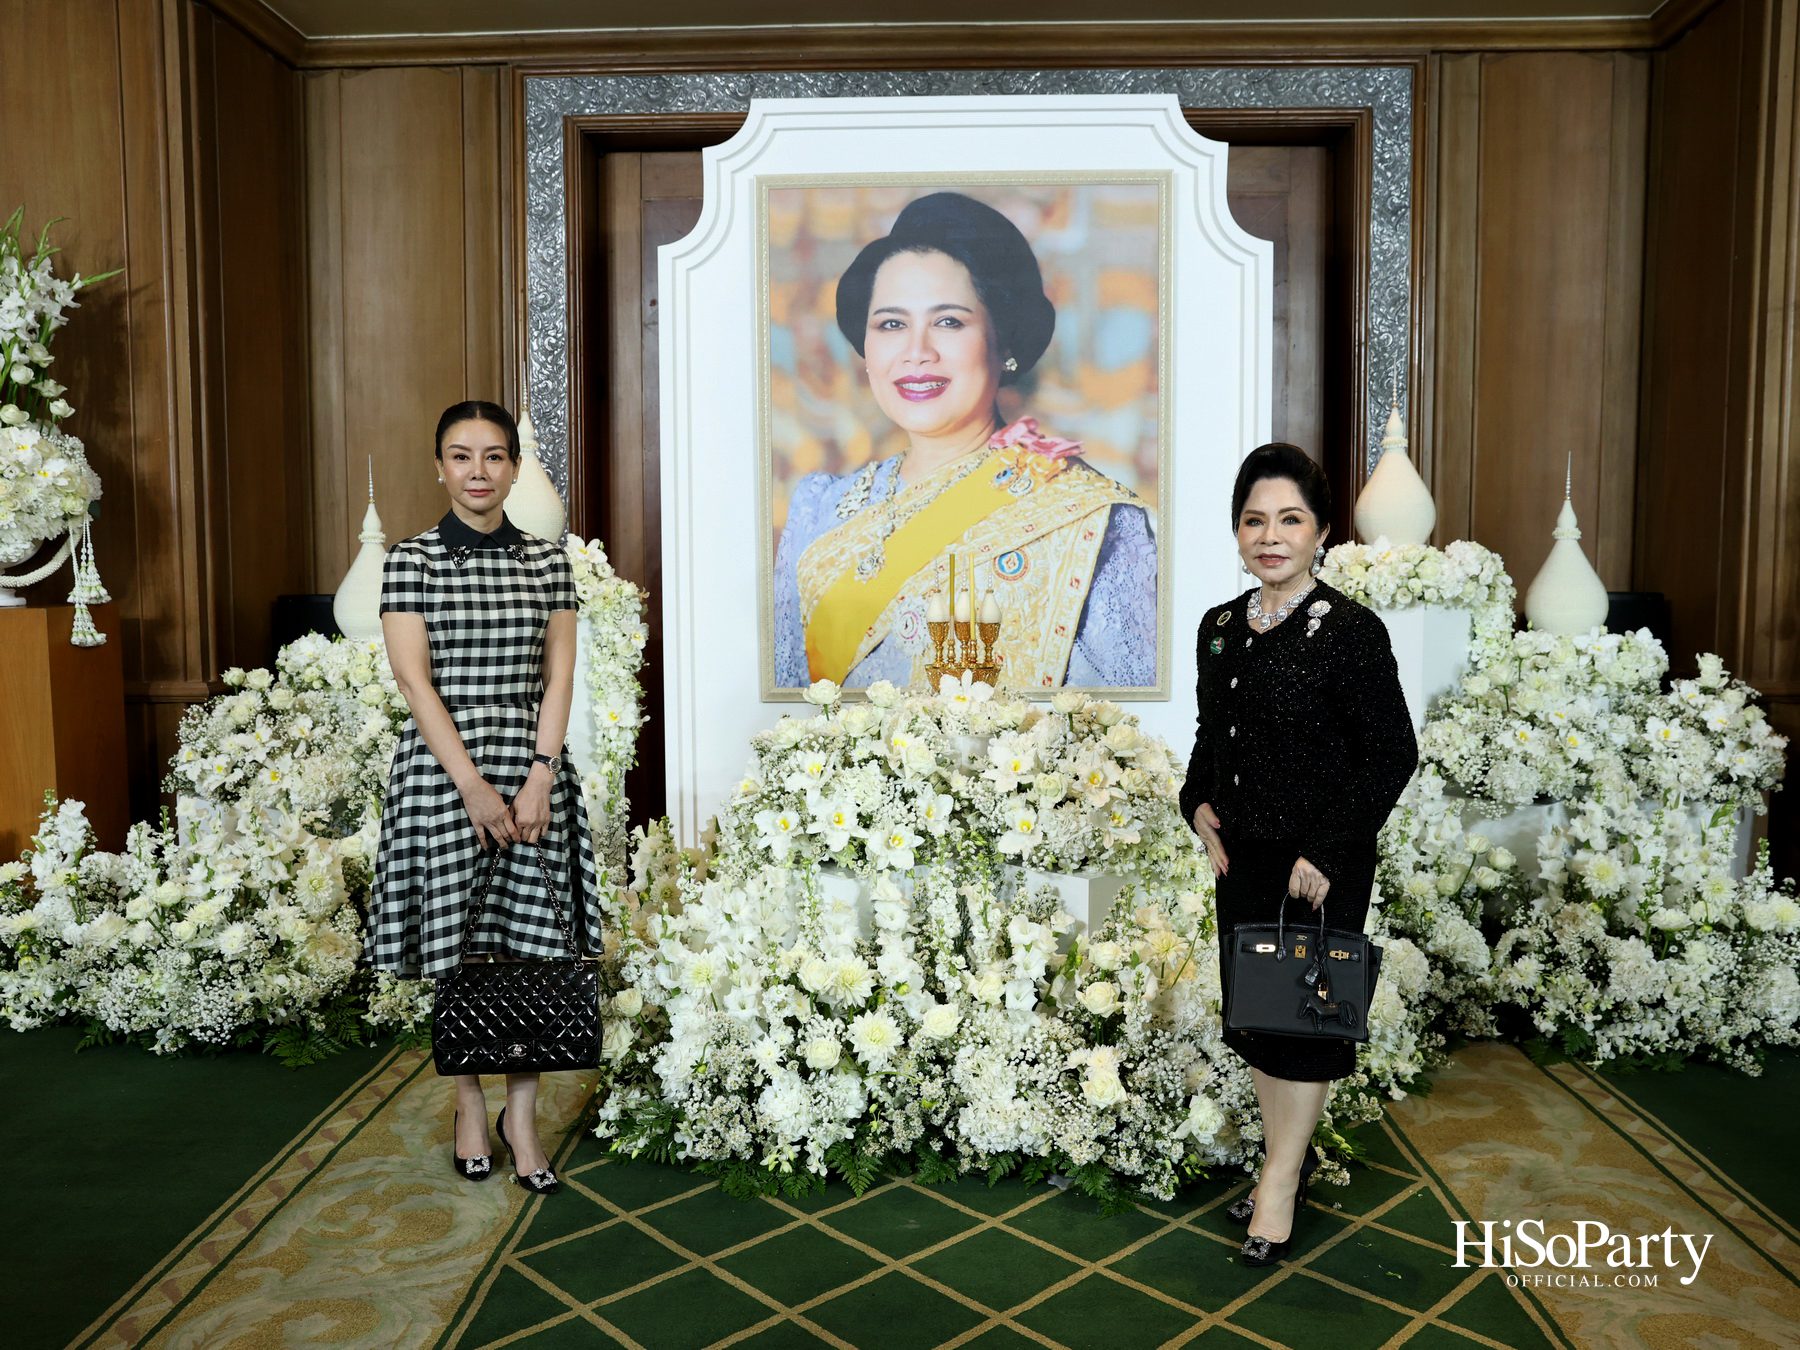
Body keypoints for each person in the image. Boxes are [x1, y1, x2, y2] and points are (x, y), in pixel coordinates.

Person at [1180, 443, 1417, 1265]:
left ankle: (1278, 1182)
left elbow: (1391, 754)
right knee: (1260, 1019)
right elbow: (1214, 737)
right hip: (1241, 859)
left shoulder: (1350, 632)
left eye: (1289, 520)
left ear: (1320, 532)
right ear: (1237, 530)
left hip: (1319, 867)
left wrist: (1325, 850)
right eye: (1254, 520)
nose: (1269, 536)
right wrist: (1196, 802)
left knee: (1305, 1025)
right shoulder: (1219, 628)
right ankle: (1288, 1158)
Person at [772, 191, 1158, 691]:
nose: (916, 352)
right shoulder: (817, 509)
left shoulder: (1092, 518)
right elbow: (781, 716)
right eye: (891, 323)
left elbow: (1133, 734)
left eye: (949, 322)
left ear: (1005, 342)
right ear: (865, 348)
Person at [367, 400, 601, 1195]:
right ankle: (470, 1104)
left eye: (494, 457)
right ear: (440, 467)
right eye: (461, 457)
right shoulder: (413, 560)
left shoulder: (547, 562)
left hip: (534, 767)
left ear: (513, 468)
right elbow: (413, 680)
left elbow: (559, 676)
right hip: (443, 773)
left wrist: (540, 773)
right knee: (459, 946)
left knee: (532, 945)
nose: (478, 472)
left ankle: (523, 1121)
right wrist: (470, 784)